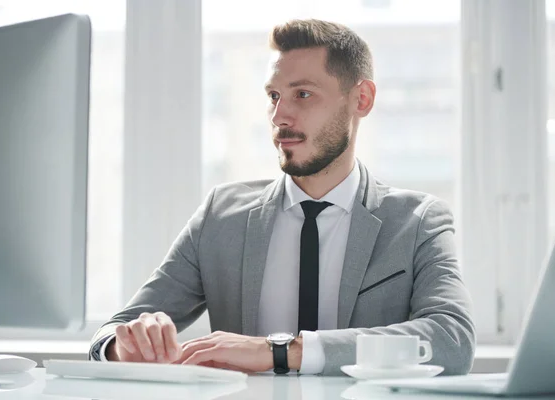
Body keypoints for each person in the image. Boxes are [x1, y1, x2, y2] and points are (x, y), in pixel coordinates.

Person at [90, 18, 476, 376]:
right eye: (274, 95)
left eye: (303, 94)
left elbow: (451, 340)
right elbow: (110, 335)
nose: (279, 116)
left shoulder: (417, 221)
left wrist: (282, 351)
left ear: (361, 100)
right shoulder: (220, 215)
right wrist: (127, 346)